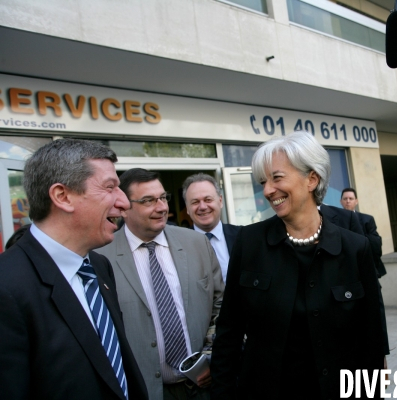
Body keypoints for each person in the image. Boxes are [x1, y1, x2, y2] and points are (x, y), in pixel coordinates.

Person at [210, 131, 385, 399]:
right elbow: (229, 333)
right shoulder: (249, 243)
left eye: (277, 178)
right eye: (263, 181)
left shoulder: (355, 248)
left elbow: (371, 337)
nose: (268, 190)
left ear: (311, 179)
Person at [0, 139, 148, 399]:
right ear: (62, 196)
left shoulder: (99, 267)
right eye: (110, 187)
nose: (124, 203)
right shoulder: (7, 287)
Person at [96, 168, 224, 400]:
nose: (162, 207)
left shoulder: (197, 244)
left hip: (203, 387)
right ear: (124, 207)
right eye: (148, 201)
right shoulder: (100, 257)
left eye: (163, 197)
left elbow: (221, 305)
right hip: (140, 390)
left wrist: (208, 355)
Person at [182, 173, 241, 283]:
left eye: (208, 200)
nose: (203, 207)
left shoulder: (243, 236)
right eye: (195, 202)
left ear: (220, 201)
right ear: (187, 209)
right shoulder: (178, 244)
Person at [340, 187, 387, 278]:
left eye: (351, 198)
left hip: (366, 264)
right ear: (341, 201)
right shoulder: (334, 220)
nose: (348, 201)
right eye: (345, 199)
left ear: (356, 201)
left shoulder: (367, 219)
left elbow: (376, 242)